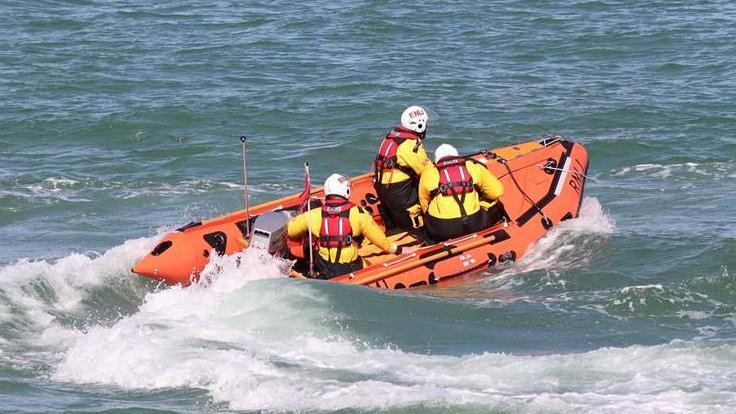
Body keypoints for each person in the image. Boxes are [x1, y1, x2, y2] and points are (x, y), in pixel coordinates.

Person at [287, 173, 411, 279]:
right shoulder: (359, 213)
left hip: (324, 266)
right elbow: (380, 240)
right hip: (350, 267)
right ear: (346, 191)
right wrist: (397, 249)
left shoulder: (313, 215)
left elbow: (291, 231)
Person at [418, 144, 504, 242]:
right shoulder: (474, 167)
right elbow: (497, 192)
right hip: (474, 223)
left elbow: (424, 204)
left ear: (436, 160)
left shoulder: (428, 174)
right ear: (457, 156)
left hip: (441, 229)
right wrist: (480, 203)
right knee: (496, 204)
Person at [373, 105, 431, 230]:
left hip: (382, 187)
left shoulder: (391, 136)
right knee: (416, 227)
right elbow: (427, 172)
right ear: (420, 125)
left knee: (397, 221)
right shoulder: (411, 145)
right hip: (400, 192)